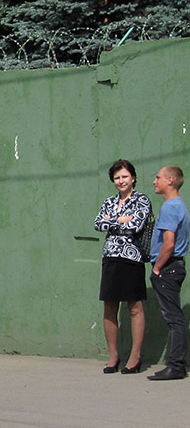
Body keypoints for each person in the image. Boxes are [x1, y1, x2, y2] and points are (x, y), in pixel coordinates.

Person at [92, 159, 152, 375]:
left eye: (125, 176)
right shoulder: (109, 202)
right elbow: (98, 223)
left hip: (132, 258)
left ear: (133, 178)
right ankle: (113, 356)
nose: (121, 181)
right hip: (110, 258)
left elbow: (136, 225)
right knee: (109, 306)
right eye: (117, 178)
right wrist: (121, 219)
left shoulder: (142, 200)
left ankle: (135, 357)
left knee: (134, 307)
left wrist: (113, 221)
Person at [147, 166, 189, 381]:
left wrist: (156, 268)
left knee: (174, 319)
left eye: (158, 177)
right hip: (173, 266)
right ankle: (177, 365)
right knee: (175, 318)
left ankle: (176, 366)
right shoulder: (176, 205)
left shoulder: (170, 207)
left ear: (170, 180)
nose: (155, 181)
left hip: (168, 267)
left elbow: (169, 243)